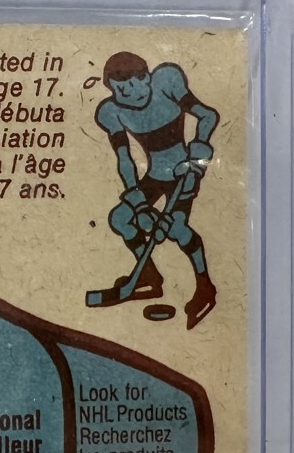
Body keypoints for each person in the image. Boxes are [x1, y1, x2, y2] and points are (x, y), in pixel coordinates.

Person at [93, 51, 219, 328]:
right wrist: (139, 205)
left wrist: (198, 156)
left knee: (176, 228)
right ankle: (149, 276)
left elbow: (207, 115)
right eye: (119, 91)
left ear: (147, 77)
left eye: (130, 86)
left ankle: (205, 286)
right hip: (154, 175)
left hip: (183, 173)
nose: (126, 95)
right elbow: (124, 159)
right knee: (120, 218)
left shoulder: (167, 82)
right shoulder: (111, 111)